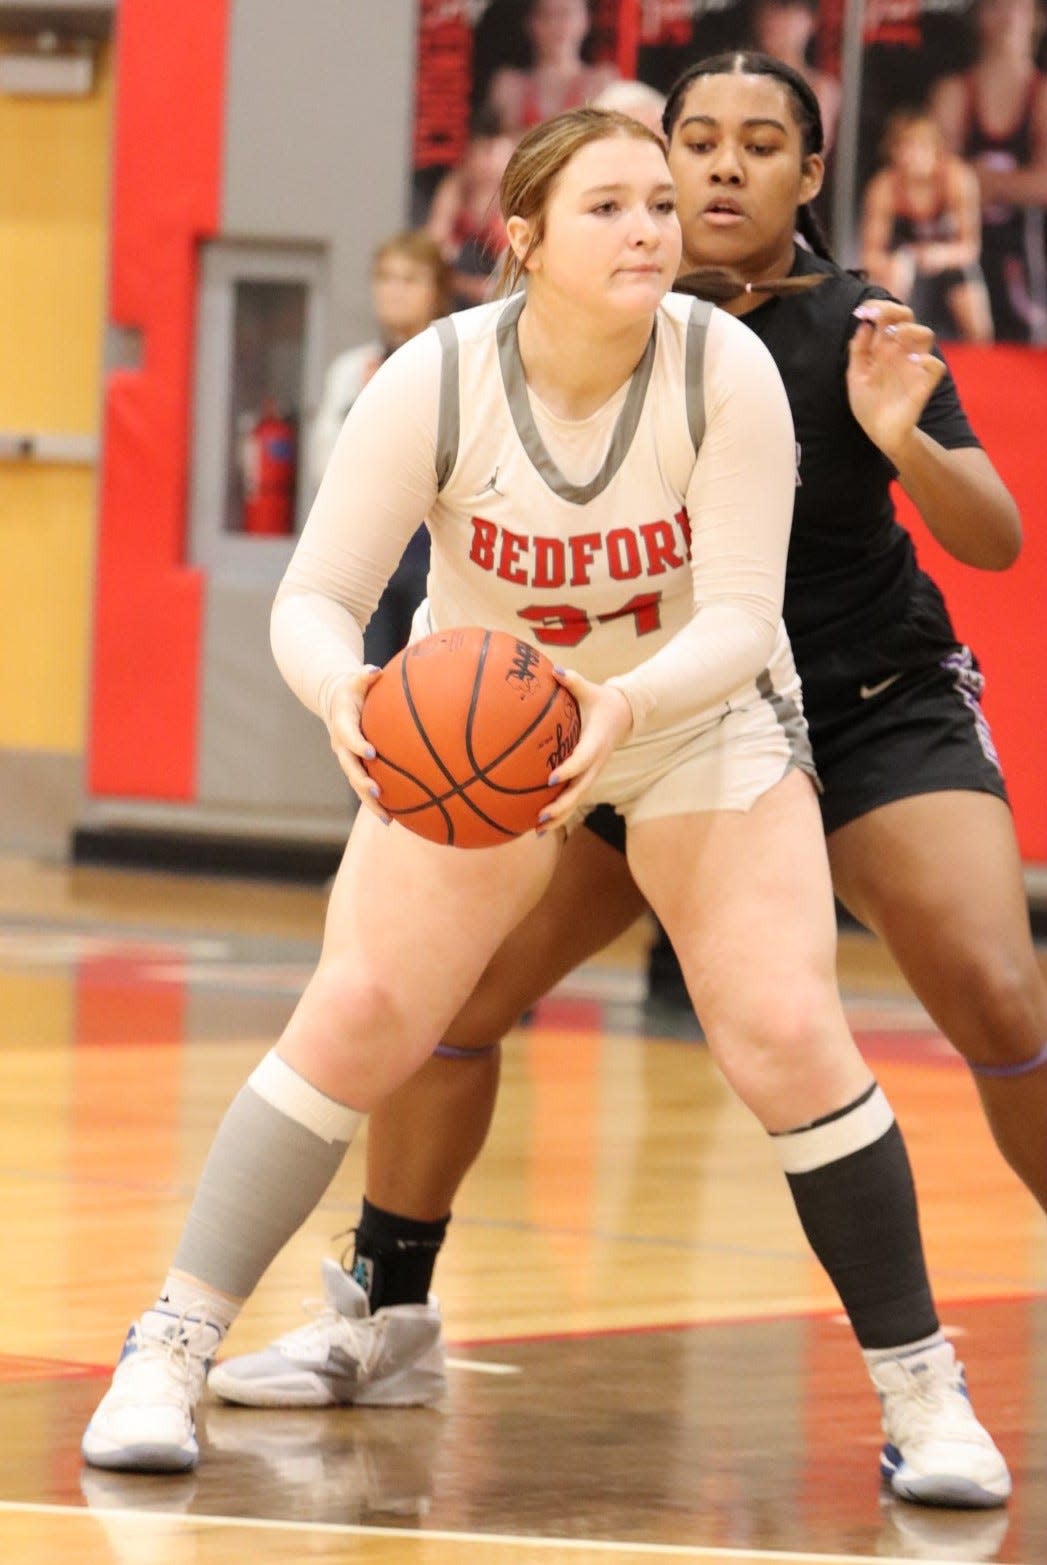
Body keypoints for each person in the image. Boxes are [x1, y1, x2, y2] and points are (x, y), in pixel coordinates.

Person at [86, 104, 1010, 1508]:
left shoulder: (726, 372)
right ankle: (168, 1348)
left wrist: (622, 707)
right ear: (520, 236)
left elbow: (741, 619)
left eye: (656, 203)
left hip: (692, 722)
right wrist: (348, 695)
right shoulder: (437, 377)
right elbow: (318, 600)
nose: (647, 225)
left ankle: (921, 1389)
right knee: (361, 1012)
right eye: (606, 206)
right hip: (496, 734)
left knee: (779, 1029)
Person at [308, 231, 452, 668]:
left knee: (436, 690)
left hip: (440, 547)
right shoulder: (352, 371)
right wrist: (365, 414)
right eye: (386, 278)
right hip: (369, 547)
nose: (395, 291)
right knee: (367, 685)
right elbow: (322, 468)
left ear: (436, 290)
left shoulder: (460, 362)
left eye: (410, 279)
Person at [929, 0, 1047, 344]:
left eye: (1018, 7)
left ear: (1035, 17)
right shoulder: (953, 93)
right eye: (997, 6)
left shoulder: (1041, 97)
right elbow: (931, 181)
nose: (1008, 17)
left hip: (1028, 261)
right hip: (957, 259)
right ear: (979, 17)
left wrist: (975, 181)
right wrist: (1017, 184)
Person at [860, 109, 994, 343]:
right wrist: (897, 263)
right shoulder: (884, 188)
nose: (910, 156)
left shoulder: (958, 179)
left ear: (936, 149)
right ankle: (888, 345)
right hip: (904, 269)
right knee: (893, 277)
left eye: (919, 147)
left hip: (947, 263)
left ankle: (981, 355)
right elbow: (871, 255)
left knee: (970, 293)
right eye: (903, 147)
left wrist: (937, 255)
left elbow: (970, 248)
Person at [484, 0, 619, 136]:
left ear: (586, 19)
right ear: (530, 22)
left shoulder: (603, 82)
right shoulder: (508, 85)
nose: (555, 25)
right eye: (546, 14)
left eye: (565, 13)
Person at [424, 110, 516, 308]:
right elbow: (432, 251)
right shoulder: (456, 187)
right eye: (481, 153)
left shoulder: (512, 196)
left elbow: (512, 258)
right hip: (457, 286)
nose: (488, 165)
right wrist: (466, 285)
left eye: (495, 154)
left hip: (500, 289)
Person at [749, 0, 841, 154]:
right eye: (768, 9)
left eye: (785, 10)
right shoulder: (739, 78)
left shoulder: (822, 88)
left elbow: (807, 150)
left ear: (811, 21)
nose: (773, 19)